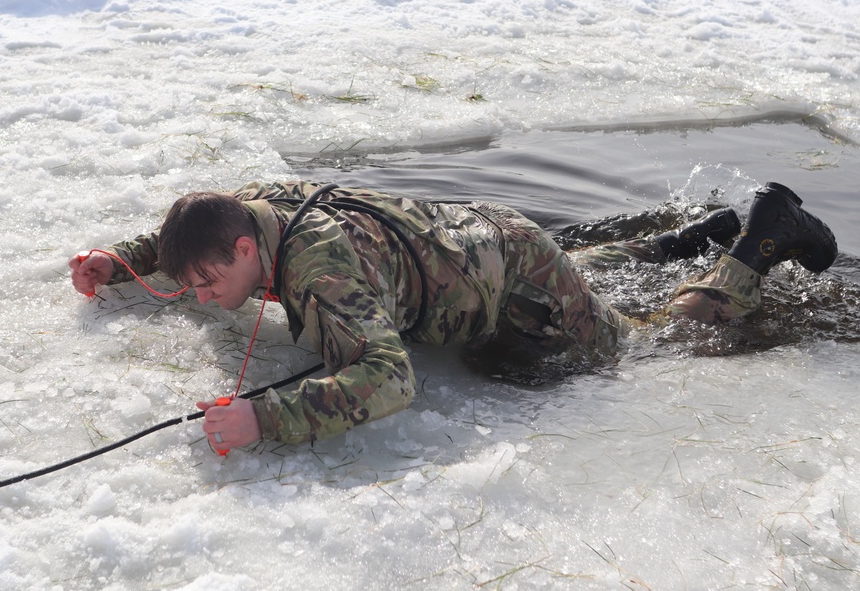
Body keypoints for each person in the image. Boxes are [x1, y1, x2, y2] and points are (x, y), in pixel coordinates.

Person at [69, 181, 838, 452]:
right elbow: (188, 230)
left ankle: (760, 241)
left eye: (208, 282)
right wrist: (125, 259)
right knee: (563, 267)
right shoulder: (251, 205)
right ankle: (678, 240)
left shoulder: (320, 268)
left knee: (654, 342)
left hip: (510, 279)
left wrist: (263, 420)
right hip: (478, 240)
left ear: (247, 248)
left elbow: (389, 378)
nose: (201, 296)